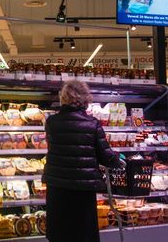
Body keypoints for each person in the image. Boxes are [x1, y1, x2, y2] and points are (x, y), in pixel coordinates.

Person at [43, 81, 122, 242]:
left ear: (63, 98)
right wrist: (119, 161)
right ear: (86, 100)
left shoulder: (52, 122)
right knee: (82, 232)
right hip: (83, 188)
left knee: (60, 231)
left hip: (57, 186)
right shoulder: (92, 124)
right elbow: (105, 156)